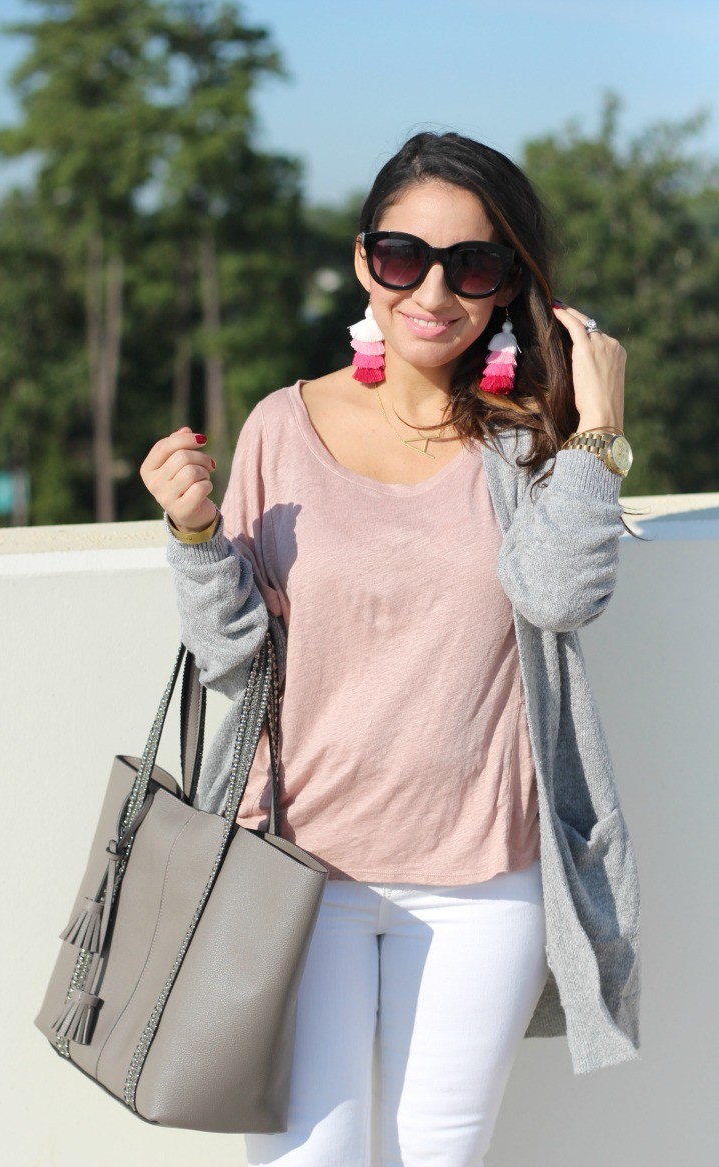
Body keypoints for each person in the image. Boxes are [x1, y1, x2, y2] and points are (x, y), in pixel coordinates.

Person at [140, 131, 641, 1167]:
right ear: (368, 258)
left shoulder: (524, 440)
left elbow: (561, 595)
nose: (436, 291)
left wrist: (599, 431)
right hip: (296, 870)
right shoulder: (283, 424)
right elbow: (236, 657)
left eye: (476, 265)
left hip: (481, 883)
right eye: (406, 255)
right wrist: (196, 536)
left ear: (510, 287)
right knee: (304, 1158)